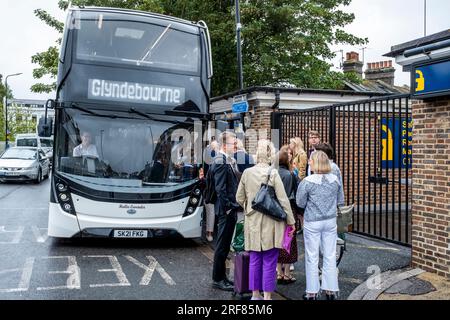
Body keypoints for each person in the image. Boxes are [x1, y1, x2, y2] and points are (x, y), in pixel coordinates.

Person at [236, 140, 296, 301]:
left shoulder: (247, 173)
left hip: (253, 221)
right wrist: (291, 221)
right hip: (272, 222)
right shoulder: (273, 172)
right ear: (270, 155)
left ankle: (255, 295)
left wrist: (249, 208)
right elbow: (283, 200)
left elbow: (239, 197)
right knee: (270, 261)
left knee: (255, 260)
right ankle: (268, 297)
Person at [296, 151, 345, 300]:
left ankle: (312, 292)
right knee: (330, 255)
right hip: (330, 220)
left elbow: (300, 202)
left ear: (315, 162)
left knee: (312, 256)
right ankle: (330, 291)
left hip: (313, 221)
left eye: (310, 160)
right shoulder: (335, 179)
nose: (309, 162)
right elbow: (340, 200)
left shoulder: (307, 181)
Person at [210, 131, 240, 292]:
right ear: (223, 145)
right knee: (222, 245)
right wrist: (228, 208)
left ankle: (222, 277)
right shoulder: (221, 161)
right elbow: (220, 189)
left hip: (228, 209)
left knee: (225, 245)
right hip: (225, 210)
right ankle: (217, 279)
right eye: (232, 143)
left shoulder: (226, 160)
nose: (235, 145)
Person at [275, 145, 299, 285]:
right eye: (289, 154)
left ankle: (279, 272)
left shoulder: (273, 172)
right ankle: (287, 274)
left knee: (278, 240)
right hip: (289, 209)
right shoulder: (291, 174)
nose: (290, 156)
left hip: (275, 211)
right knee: (289, 240)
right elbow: (296, 195)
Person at [204, 139, 219, 242]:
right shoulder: (218, 156)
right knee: (212, 210)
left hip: (209, 186)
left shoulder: (208, 155)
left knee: (210, 210)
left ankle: (209, 232)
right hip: (214, 186)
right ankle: (210, 232)